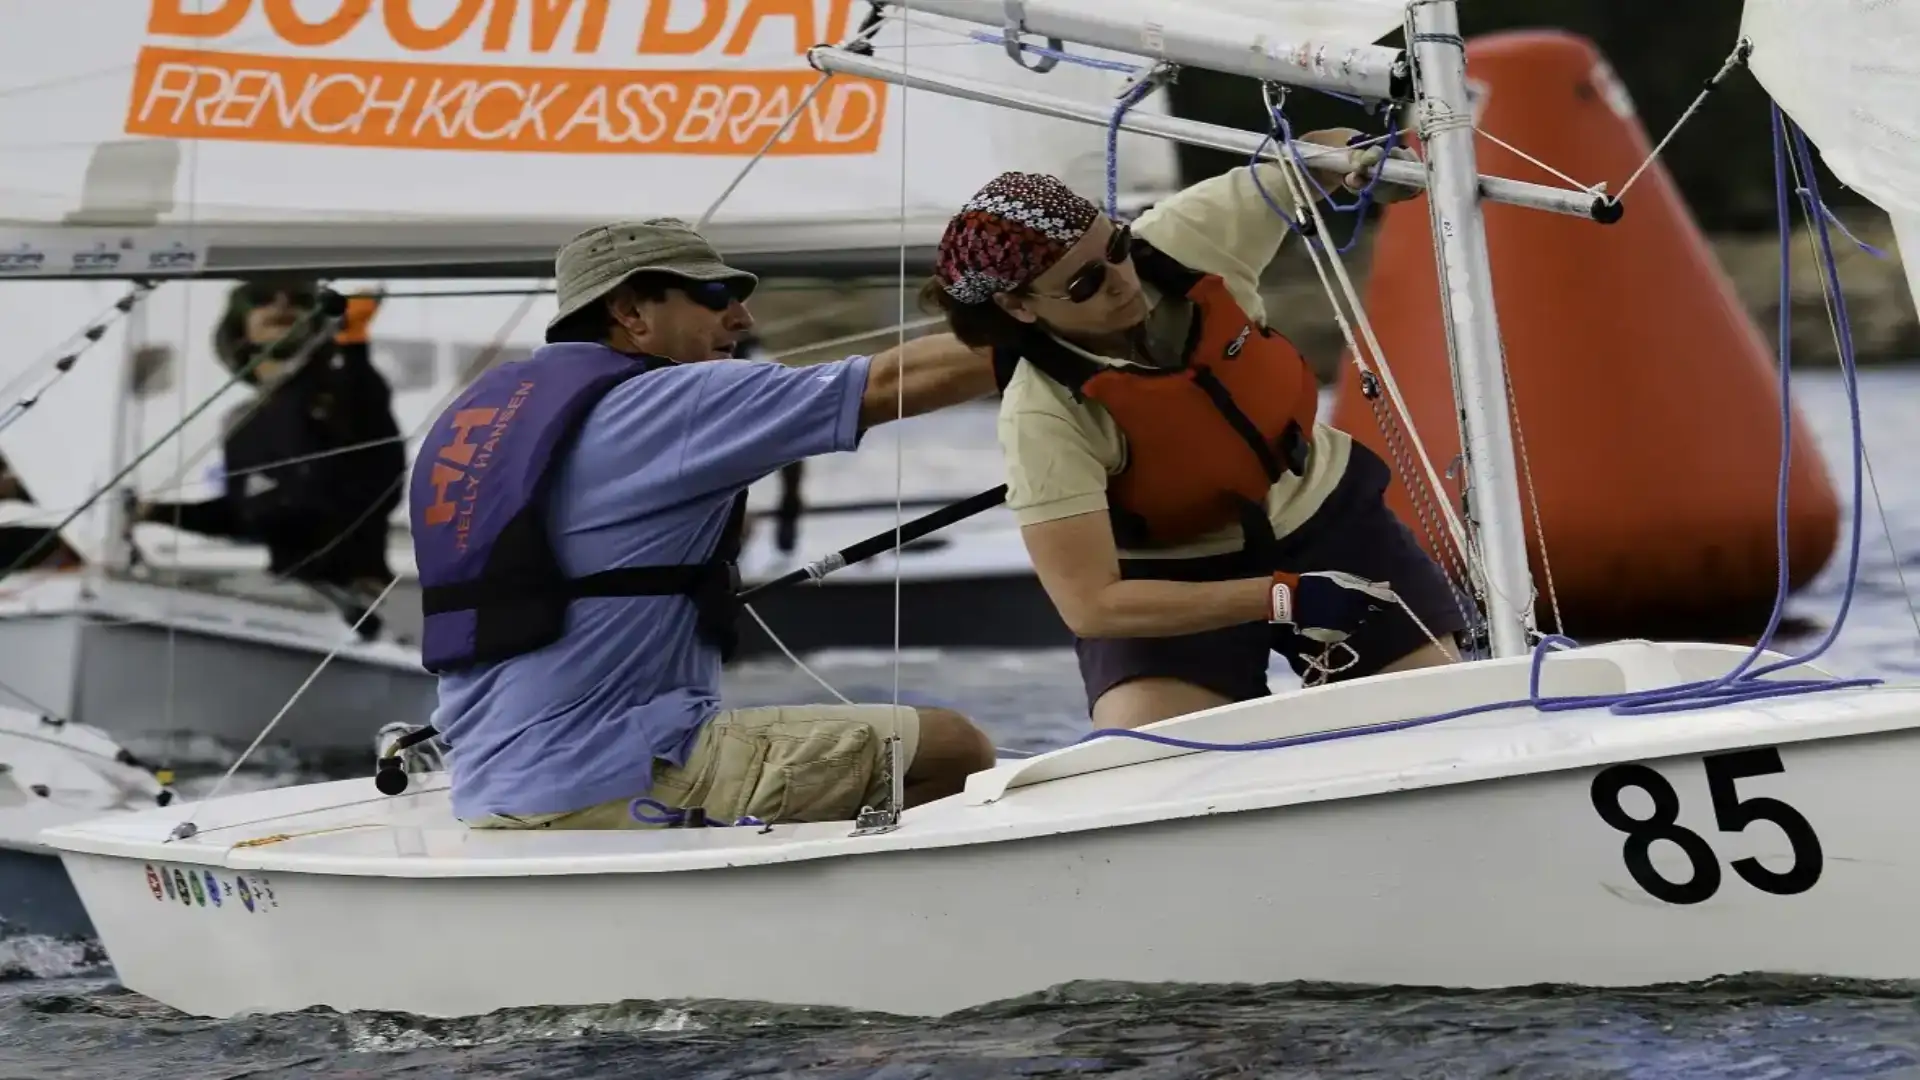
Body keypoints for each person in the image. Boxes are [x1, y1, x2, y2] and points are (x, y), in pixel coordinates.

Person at [414, 218, 1000, 832]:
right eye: (714, 297)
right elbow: (890, 382)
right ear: (632, 311)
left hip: (489, 781)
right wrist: (1069, 339)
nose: (742, 318)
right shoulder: (667, 401)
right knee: (951, 750)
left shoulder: (472, 425)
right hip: (611, 777)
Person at [921, 133, 1469, 731]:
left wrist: (1366, 159)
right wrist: (1280, 597)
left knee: (1440, 717)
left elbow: (1303, 161)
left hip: (1322, 520)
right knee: (1152, 758)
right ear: (1019, 307)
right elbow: (1091, 603)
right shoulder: (1042, 416)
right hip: (1169, 575)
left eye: (1117, 247)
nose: (1122, 280)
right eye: (1083, 284)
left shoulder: (1183, 241)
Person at [135, 278, 407, 637]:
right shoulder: (242, 421)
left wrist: (353, 339)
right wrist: (155, 512)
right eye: (262, 298)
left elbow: (373, 449)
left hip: (352, 600)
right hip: (288, 599)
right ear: (240, 330)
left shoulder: (340, 388)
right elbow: (243, 512)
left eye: (298, 298)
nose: (281, 302)